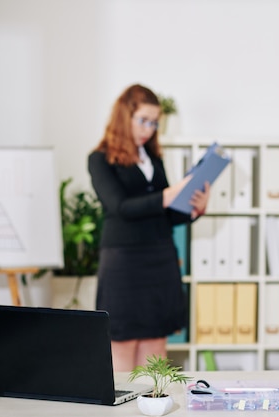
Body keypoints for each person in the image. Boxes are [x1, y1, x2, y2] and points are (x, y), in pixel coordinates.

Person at [88, 84, 210, 371]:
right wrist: (168, 195)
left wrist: (195, 209)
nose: (149, 128)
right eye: (143, 120)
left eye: (154, 123)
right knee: (122, 348)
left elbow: (163, 215)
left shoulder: (153, 158)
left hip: (159, 257)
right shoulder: (100, 159)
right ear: (124, 116)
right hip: (124, 262)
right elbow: (120, 208)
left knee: (156, 348)